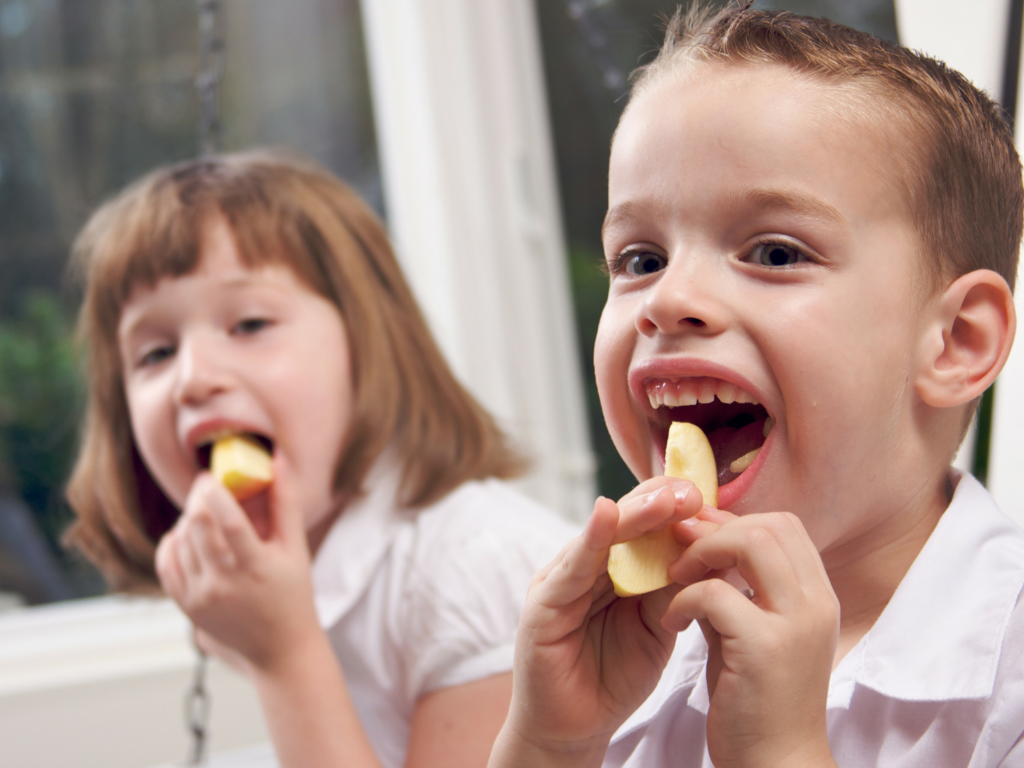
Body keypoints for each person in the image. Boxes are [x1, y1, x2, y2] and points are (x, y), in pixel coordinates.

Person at [488, 3, 1024, 767]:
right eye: (639, 259)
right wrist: (550, 742)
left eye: (774, 252)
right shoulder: (640, 655)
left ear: (956, 342)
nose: (669, 298)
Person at [62, 149, 579, 768]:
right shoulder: (303, 565)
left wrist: (283, 656)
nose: (193, 378)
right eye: (154, 354)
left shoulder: (476, 574)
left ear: (368, 347)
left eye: (249, 323)